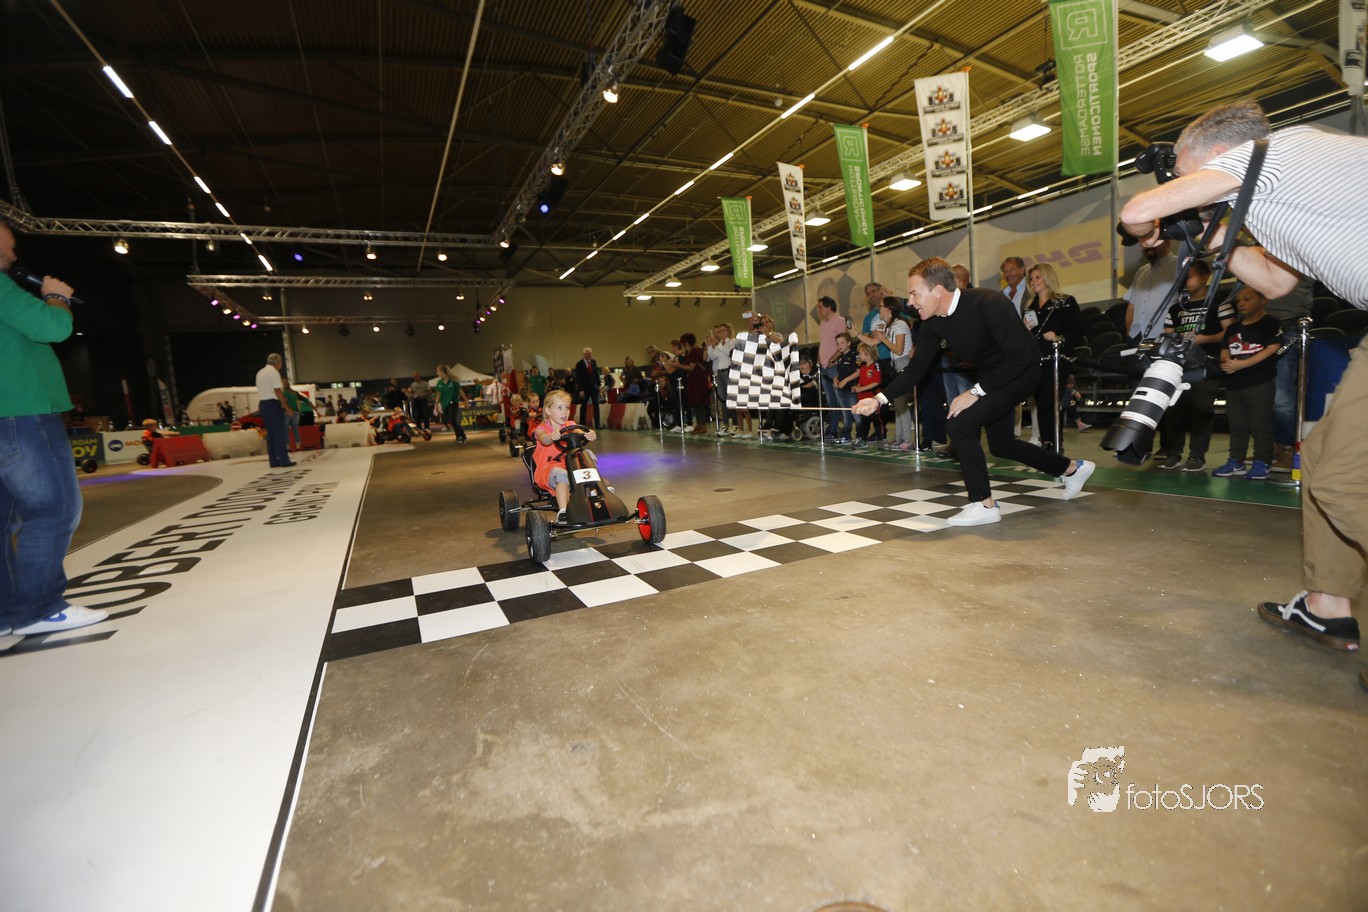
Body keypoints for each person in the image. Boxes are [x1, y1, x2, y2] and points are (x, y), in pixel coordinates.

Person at [1119, 99, 1368, 675]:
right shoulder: (1279, 196)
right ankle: (1327, 607)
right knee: (1327, 457)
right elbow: (1276, 281)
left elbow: (1137, 212)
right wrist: (1210, 235)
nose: (1185, 186)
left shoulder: (1277, 151)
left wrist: (1154, 222)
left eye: (1184, 173)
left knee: (1345, 480)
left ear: (1215, 153)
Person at [854, 257, 1095, 527]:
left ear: (937, 290)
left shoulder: (988, 303)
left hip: (1023, 371)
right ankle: (1071, 469)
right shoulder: (933, 322)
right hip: (992, 376)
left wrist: (976, 391)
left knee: (960, 424)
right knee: (1002, 445)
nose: (910, 302)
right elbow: (915, 370)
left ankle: (983, 503)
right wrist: (878, 399)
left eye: (914, 293)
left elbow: (1020, 357)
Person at [0, 221, 109, 636]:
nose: (13, 256)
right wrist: (56, 298)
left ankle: (5, 613)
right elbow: (52, 327)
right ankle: (39, 608)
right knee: (53, 507)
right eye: (9, 246)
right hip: (22, 413)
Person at [1156, 259, 1233, 472]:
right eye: (1183, 278)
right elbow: (1167, 335)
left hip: (1207, 365)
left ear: (1205, 277)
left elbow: (1231, 332)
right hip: (1179, 366)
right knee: (1175, 410)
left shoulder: (1219, 303)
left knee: (1201, 409)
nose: (1185, 282)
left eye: (1189, 277)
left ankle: (1197, 456)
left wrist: (1205, 339)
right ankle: (1174, 454)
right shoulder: (1176, 308)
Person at [1213, 288, 1280, 480]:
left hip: (1260, 382)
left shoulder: (1270, 322)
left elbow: (1273, 347)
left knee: (1260, 425)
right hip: (1234, 384)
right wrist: (1227, 360)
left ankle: (1262, 461)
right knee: (1237, 426)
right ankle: (1236, 460)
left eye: (1247, 299)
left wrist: (1243, 364)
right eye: (1238, 301)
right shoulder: (1233, 328)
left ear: (1263, 299)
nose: (1241, 304)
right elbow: (1225, 349)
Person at [1021, 263, 1083, 451]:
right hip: (1036, 361)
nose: (1034, 281)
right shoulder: (1029, 306)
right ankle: (1047, 441)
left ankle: (1055, 443)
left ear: (1048, 278)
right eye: (1031, 278)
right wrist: (1025, 330)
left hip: (1056, 360)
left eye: (1038, 277)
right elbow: (1024, 338)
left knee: (1050, 402)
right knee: (1041, 402)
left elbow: (1078, 332)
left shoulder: (1065, 302)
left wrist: (1059, 337)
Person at [532, 390, 596, 522]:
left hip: (570, 466)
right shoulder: (542, 429)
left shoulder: (570, 425)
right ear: (548, 410)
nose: (565, 412)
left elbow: (582, 431)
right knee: (563, 475)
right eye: (559, 408)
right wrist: (551, 437)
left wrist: (589, 434)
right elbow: (543, 439)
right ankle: (563, 511)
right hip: (548, 469)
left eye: (567, 408)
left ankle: (595, 489)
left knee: (587, 453)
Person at [256, 353, 295, 468]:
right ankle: (284, 460)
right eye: (281, 363)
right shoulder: (274, 373)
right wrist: (286, 406)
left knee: (271, 434)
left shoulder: (260, 372)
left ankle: (273, 460)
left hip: (263, 404)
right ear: (277, 363)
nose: (281, 365)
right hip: (273, 405)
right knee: (279, 433)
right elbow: (277, 391)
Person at [850, 344, 883, 447]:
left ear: (868, 354)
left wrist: (861, 389)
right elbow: (861, 382)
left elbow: (876, 382)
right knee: (864, 420)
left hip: (873, 399)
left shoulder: (875, 366)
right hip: (863, 399)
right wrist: (857, 387)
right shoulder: (863, 367)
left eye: (860, 353)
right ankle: (862, 438)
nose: (859, 355)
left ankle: (880, 437)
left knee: (876, 420)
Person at [829, 332, 858, 444]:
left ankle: (860, 436)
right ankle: (846, 436)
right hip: (841, 390)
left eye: (842, 343)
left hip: (851, 389)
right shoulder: (840, 358)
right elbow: (839, 372)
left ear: (849, 343)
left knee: (856, 413)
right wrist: (835, 379)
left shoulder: (855, 355)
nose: (839, 345)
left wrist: (846, 380)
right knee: (845, 414)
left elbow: (859, 371)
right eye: (838, 343)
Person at [573, 348, 601, 428]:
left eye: (590, 353)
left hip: (594, 388)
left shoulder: (593, 362)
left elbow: (596, 375)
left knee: (596, 405)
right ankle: (582, 423)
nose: (590, 355)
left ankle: (597, 424)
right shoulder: (579, 364)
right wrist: (581, 390)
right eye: (588, 354)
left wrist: (598, 386)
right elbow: (578, 378)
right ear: (584, 354)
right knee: (584, 406)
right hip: (584, 389)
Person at [281, 375, 303, 452]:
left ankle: (288, 447)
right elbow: (298, 403)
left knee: (286, 431)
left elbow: (283, 403)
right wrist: (299, 412)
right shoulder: (294, 393)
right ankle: (298, 446)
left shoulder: (283, 393)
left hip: (286, 412)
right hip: (295, 412)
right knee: (296, 430)